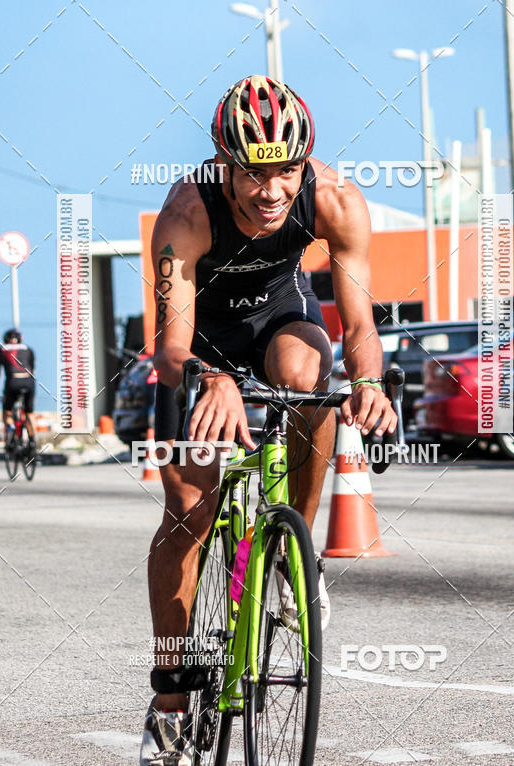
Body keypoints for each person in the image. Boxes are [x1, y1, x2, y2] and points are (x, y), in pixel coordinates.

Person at [140, 75, 397, 765]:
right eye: (254, 173)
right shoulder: (187, 211)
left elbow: (359, 326)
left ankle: (291, 558)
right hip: (198, 344)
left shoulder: (335, 199)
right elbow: (169, 348)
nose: (272, 191)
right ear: (223, 164)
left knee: (310, 383)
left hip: (281, 317)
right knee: (188, 515)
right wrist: (213, 378)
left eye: (286, 170)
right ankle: (170, 702)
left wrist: (369, 383)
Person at [0, 329, 37, 453]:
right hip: (29, 383)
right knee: (29, 413)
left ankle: (10, 433)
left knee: (7, 411)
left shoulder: (0, 350)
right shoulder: (28, 349)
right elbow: (33, 371)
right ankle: (32, 442)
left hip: (12, 383)